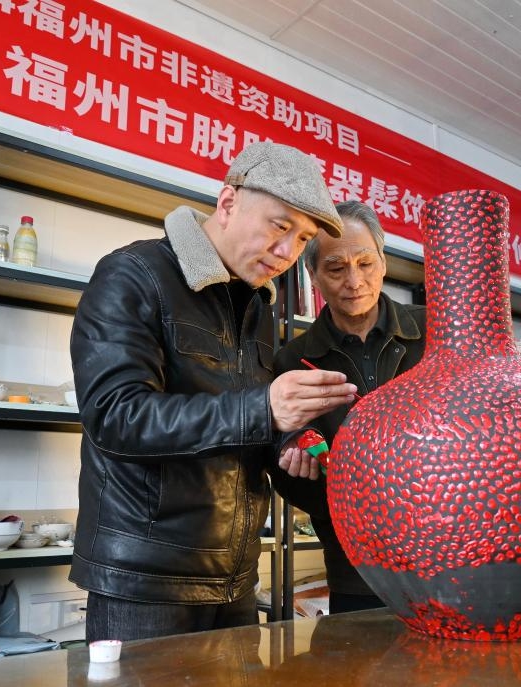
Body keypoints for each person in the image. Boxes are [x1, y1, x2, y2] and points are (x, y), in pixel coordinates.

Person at [70, 142, 360, 642]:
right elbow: (116, 416)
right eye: (279, 225)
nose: (288, 252)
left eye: (303, 238)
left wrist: (289, 441)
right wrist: (265, 408)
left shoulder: (255, 306)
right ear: (227, 203)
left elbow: (244, 419)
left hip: (236, 577)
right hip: (146, 580)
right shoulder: (134, 275)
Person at [272, 200, 427, 614]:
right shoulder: (293, 362)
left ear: (384, 262)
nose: (354, 280)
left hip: (450, 561)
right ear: (314, 276)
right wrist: (296, 459)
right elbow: (285, 467)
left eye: (365, 263)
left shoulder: (434, 333)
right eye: (337, 268)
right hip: (355, 570)